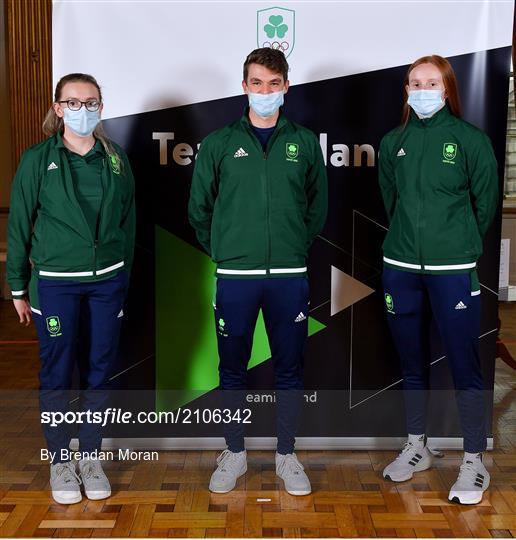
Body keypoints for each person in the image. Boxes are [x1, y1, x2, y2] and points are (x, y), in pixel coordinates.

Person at [188, 48, 328, 495]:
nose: (264, 91)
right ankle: (235, 453)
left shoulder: (303, 142)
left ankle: (287, 456)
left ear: (286, 86)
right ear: (243, 85)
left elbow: (317, 208)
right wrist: (229, 253)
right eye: (256, 83)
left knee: (290, 368)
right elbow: (199, 211)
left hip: (289, 277)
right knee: (232, 369)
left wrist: (290, 249)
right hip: (236, 279)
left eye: (273, 83)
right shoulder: (220, 143)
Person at [7, 73, 136, 505]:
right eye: (74, 102)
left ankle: (91, 456)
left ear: (102, 105)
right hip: (56, 285)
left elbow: (128, 225)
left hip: (107, 283)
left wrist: (123, 279)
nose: (84, 109)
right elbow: (20, 224)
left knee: (100, 372)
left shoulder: (115, 158)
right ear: (59, 108)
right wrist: (17, 289)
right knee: (58, 374)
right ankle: (61, 460)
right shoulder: (36, 160)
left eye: (92, 101)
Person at [378, 55, 498, 505]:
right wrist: (411, 241)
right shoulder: (394, 142)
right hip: (401, 267)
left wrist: (455, 242)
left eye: (431, 82)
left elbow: (483, 206)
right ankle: (416, 447)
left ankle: (472, 459)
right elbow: (392, 200)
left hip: (453, 270)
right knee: (411, 361)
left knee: (465, 364)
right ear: (407, 90)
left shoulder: (470, 140)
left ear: (446, 89)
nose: (422, 89)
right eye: (415, 82)